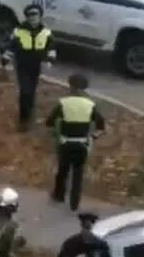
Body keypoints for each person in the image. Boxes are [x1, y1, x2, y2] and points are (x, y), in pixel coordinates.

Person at [45, 73, 105, 212]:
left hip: (66, 143)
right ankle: (74, 201)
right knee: (78, 172)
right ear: (85, 88)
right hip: (82, 144)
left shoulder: (63, 103)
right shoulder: (90, 105)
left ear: (70, 86)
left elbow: (49, 122)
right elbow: (101, 126)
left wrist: (55, 134)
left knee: (62, 170)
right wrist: (93, 137)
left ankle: (58, 195)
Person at [1, 4, 57, 131]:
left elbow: (51, 47)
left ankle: (29, 113)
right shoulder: (19, 31)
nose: (32, 17)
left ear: (40, 16)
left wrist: (50, 60)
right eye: (29, 15)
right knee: (25, 91)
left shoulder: (46, 32)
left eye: (35, 14)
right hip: (22, 65)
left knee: (31, 92)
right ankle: (23, 119)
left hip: (36, 66)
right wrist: (5, 58)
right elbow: (11, 46)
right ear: (26, 17)